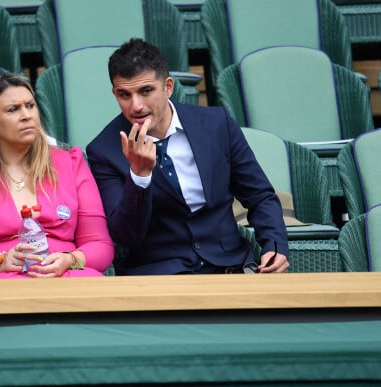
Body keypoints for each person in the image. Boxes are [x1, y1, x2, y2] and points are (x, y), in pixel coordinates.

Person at [86, 38, 289, 275]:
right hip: (159, 275)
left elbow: (259, 195)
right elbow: (125, 237)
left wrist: (274, 245)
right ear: (114, 93)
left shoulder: (216, 123)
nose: (136, 106)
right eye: (124, 95)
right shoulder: (104, 150)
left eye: (146, 91)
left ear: (168, 86)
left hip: (230, 265)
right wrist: (139, 177)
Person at [0, 73, 114, 279]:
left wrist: (71, 259)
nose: (26, 115)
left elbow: (100, 246)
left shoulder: (70, 163)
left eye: (30, 106)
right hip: (0, 286)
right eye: (13, 109)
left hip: (65, 278)